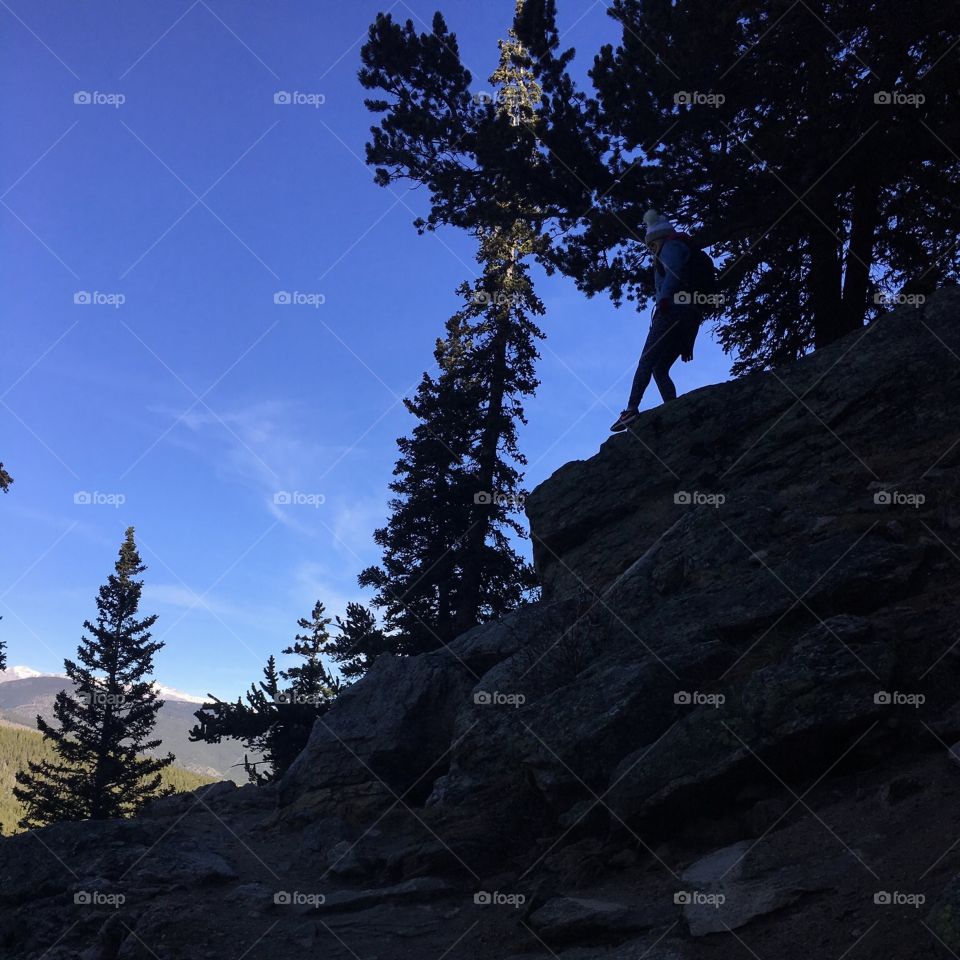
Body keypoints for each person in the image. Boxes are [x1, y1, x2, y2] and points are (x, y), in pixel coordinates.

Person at [610, 210, 703, 432]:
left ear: (657, 239)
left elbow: (674, 273)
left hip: (670, 309)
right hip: (689, 313)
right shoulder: (683, 248)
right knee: (660, 368)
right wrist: (687, 343)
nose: (651, 250)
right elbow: (693, 308)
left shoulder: (670, 247)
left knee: (647, 359)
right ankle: (673, 407)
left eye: (651, 245)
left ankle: (631, 409)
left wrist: (663, 300)